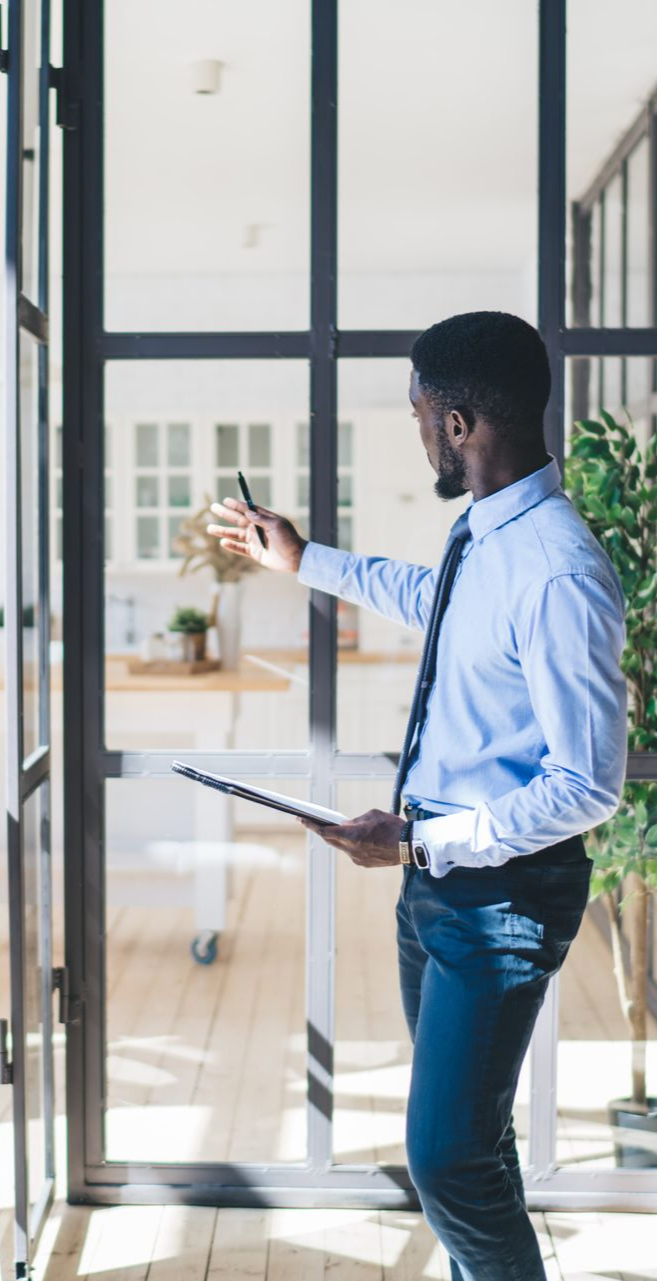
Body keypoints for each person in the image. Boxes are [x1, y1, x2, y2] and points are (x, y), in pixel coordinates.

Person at [208, 311, 628, 1281]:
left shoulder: (557, 570)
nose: (416, 427)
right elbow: (428, 600)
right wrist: (303, 559)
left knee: (447, 1160)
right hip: (436, 883)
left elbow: (586, 784)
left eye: (418, 411)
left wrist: (416, 841)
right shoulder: (484, 536)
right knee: (473, 1138)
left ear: (457, 424)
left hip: (500, 898)